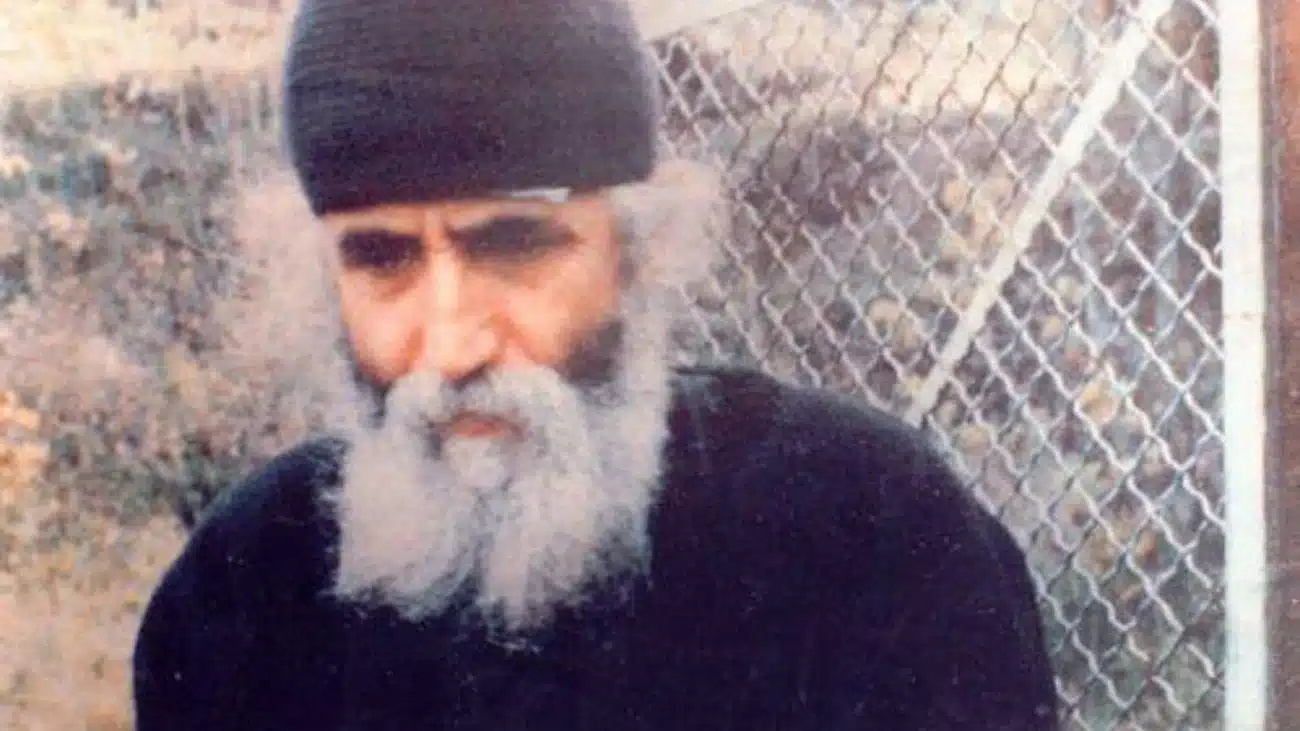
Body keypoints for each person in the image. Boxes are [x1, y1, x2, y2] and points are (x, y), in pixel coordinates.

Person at [131, 0, 1060, 728]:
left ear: (637, 252)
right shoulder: (244, 591)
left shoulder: (868, 532)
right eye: (382, 259)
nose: (450, 346)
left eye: (512, 244)